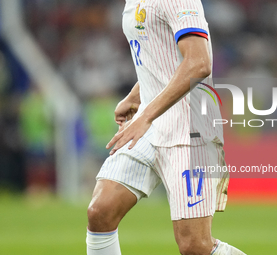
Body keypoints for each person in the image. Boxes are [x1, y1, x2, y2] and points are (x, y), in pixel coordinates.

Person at [86, 0, 247, 254]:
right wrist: (136, 96)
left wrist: (145, 115)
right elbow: (161, 57)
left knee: (195, 246)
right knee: (100, 211)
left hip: (188, 129)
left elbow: (199, 62)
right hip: (151, 125)